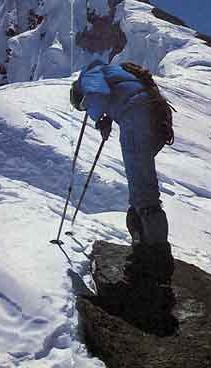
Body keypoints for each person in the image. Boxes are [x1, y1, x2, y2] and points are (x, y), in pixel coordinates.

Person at [71, 56, 174, 284]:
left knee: (144, 194)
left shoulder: (89, 75)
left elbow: (96, 95)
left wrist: (99, 118)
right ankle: (147, 247)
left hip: (136, 118)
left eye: (82, 106)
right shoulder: (114, 71)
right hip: (155, 116)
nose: (85, 108)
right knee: (142, 188)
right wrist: (106, 116)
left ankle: (156, 258)